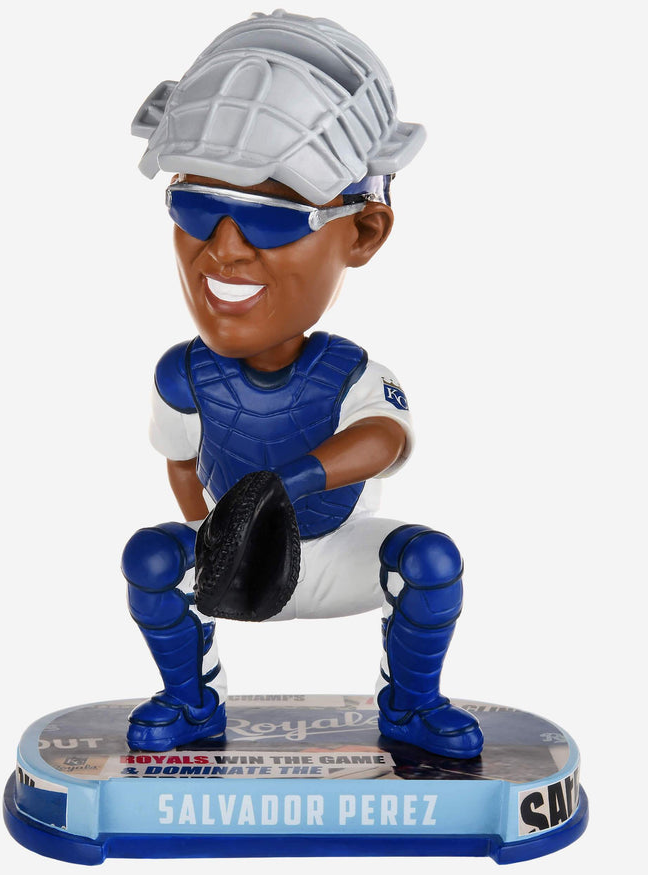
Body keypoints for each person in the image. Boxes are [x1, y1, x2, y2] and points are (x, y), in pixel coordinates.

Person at [122, 10, 483, 760]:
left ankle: (412, 705)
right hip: (234, 558)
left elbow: (381, 440)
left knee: (431, 562)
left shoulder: (348, 371)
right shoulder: (182, 374)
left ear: (364, 231)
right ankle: (191, 699)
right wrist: (215, 538)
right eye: (197, 206)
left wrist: (282, 484)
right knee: (150, 559)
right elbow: (182, 463)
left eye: (273, 218)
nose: (224, 249)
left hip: (336, 551)